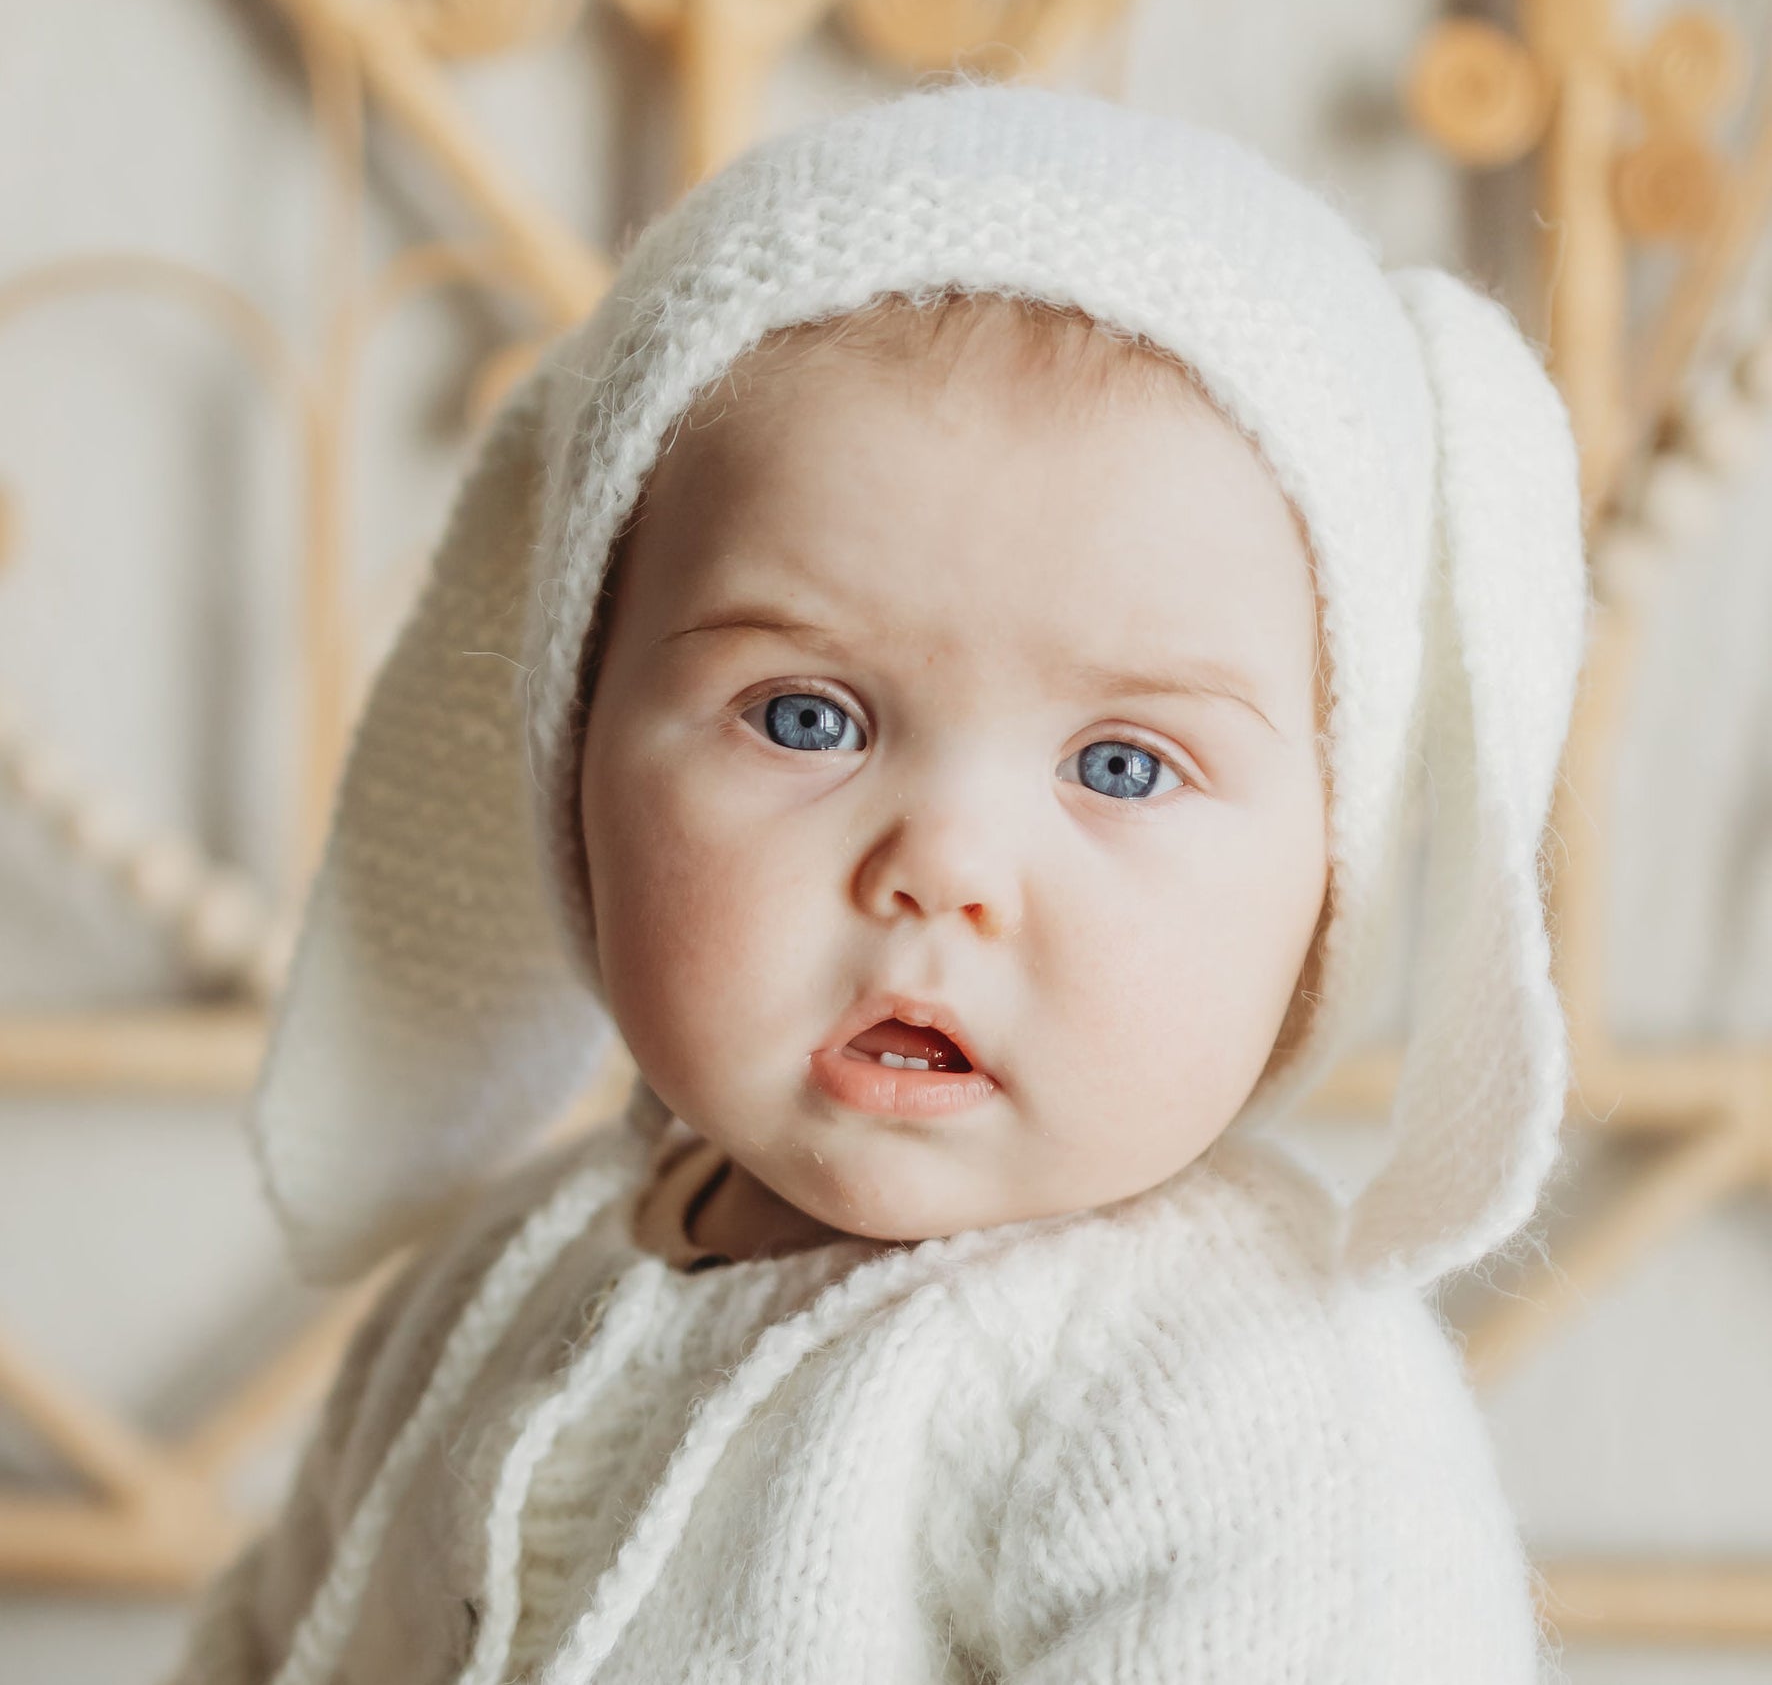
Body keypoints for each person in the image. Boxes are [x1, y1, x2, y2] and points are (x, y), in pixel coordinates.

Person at [165, 81, 1590, 1684]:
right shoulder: (491, 1289)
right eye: (806, 717)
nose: (943, 871)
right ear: (570, 747)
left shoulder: (1250, 1403)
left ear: (1328, 879)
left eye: (1121, 764)